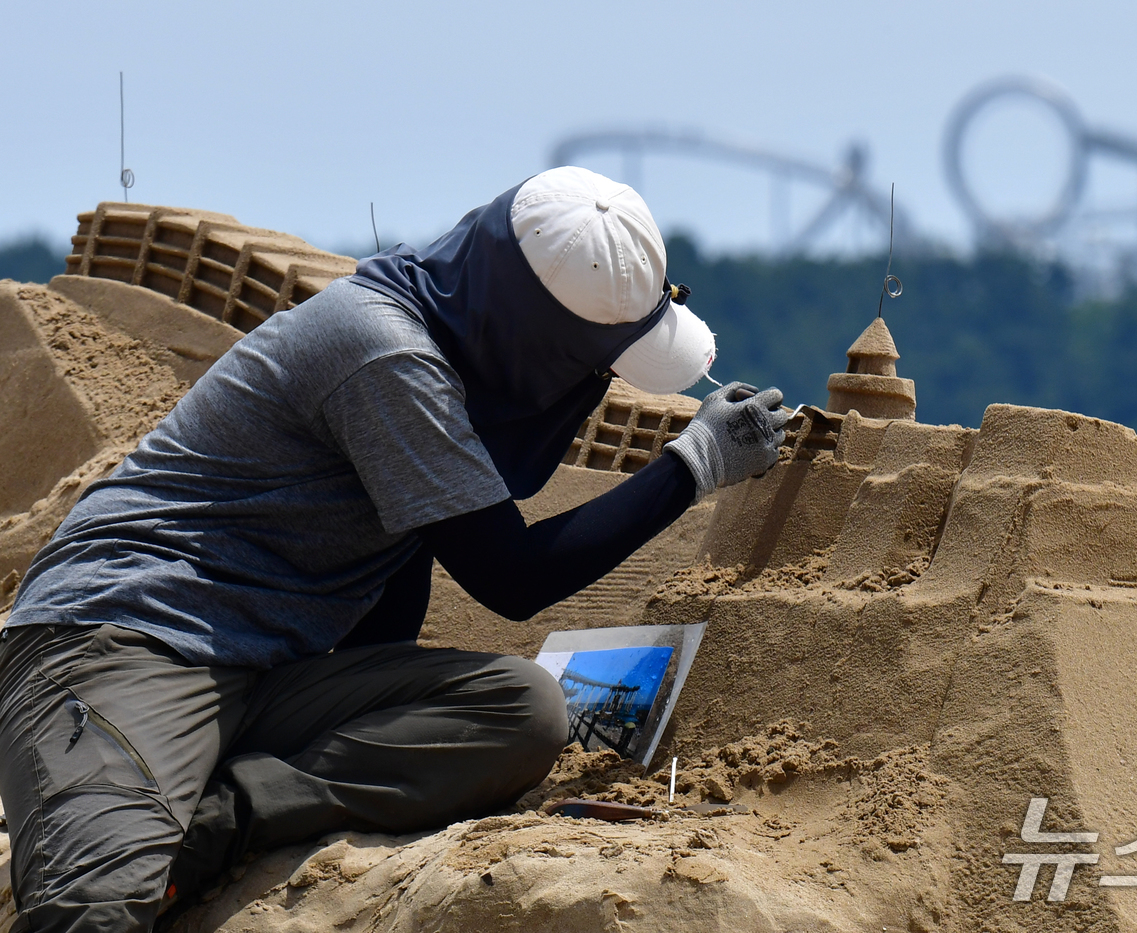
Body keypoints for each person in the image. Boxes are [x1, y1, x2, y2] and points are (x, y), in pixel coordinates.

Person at [0, 166, 789, 933]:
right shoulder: (385, 353)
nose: (597, 386)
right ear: (533, 342)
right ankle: (125, 834)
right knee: (95, 910)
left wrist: (381, 705)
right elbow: (512, 576)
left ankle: (212, 825)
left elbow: (394, 586)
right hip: (127, 639)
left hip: (265, 672)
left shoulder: (453, 342)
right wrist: (692, 466)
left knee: (522, 710)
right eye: (595, 366)